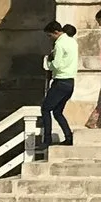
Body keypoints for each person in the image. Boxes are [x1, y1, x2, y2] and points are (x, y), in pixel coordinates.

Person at [38, 20, 77, 154]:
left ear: (56, 32)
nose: (50, 39)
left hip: (61, 81)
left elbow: (57, 64)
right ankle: (68, 136)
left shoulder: (60, 44)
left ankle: (47, 139)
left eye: (50, 36)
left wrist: (47, 63)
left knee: (45, 109)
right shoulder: (72, 41)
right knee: (57, 111)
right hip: (70, 81)